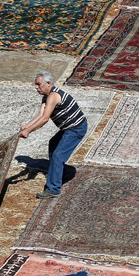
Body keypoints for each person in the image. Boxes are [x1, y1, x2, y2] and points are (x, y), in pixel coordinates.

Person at [19, 70, 87, 199]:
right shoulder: (46, 96)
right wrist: (27, 126)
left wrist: (28, 131)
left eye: (39, 84)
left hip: (76, 128)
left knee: (57, 156)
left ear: (48, 83)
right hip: (67, 128)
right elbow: (40, 115)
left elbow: (45, 119)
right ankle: (59, 173)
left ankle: (54, 189)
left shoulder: (53, 96)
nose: (36, 87)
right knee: (53, 144)